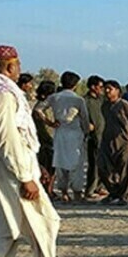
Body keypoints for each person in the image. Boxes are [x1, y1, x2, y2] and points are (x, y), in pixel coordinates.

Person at [0, 45, 85, 257]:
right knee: (44, 226)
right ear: (9, 67)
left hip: (5, 172)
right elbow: (6, 140)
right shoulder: (3, 95)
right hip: (12, 176)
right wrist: (25, 177)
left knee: (2, 233)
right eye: (17, 65)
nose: (20, 69)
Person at [47, 71, 90, 202]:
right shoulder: (78, 99)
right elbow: (85, 118)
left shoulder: (54, 97)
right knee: (76, 164)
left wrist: (50, 122)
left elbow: (38, 110)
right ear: (75, 85)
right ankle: (77, 192)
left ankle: (64, 192)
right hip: (75, 133)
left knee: (60, 163)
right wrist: (87, 131)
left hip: (60, 132)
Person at [98, 80, 128, 205]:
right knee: (103, 166)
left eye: (110, 88)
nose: (107, 91)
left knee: (126, 169)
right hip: (107, 141)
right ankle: (113, 192)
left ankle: (123, 195)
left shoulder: (126, 106)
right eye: (105, 89)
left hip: (125, 142)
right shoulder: (104, 106)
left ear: (118, 90)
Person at [31, 80, 58, 199]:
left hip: (50, 140)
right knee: (45, 168)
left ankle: (49, 190)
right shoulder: (40, 107)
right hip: (44, 142)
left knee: (51, 168)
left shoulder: (49, 106)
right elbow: (41, 128)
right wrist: (50, 124)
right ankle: (47, 190)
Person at [83, 74, 107, 200]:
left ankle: (100, 186)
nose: (102, 89)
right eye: (100, 87)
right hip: (93, 136)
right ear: (93, 87)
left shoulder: (103, 100)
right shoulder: (85, 101)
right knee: (94, 164)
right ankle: (90, 189)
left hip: (104, 135)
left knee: (104, 163)